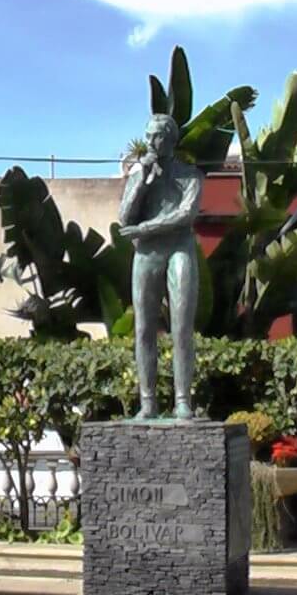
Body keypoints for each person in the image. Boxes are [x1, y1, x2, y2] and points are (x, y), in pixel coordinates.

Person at [118, 114, 202, 420]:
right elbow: (124, 219)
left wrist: (145, 228)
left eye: (158, 136)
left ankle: (182, 400)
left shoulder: (190, 175)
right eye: (148, 136)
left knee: (181, 327)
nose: (151, 142)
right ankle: (148, 402)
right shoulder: (139, 175)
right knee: (143, 329)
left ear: (171, 139)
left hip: (179, 248)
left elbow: (185, 214)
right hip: (147, 254)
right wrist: (141, 180)